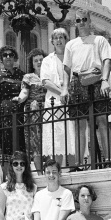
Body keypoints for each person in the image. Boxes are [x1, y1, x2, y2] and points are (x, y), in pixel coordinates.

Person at [60, 9, 111, 166]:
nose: (81, 22)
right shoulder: (71, 44)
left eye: (84, 19)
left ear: (90, 22)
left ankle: (108, 159)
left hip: (96, 79)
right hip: (77, 82)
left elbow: (107, 61)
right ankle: (79, 162)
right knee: (79, 124)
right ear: (75, 23)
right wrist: (64, 88)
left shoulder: (100, 40)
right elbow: (67, 69)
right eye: (78, 20)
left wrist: (105, 80)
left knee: (102, 120)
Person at [41, 27, 75, 166]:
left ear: (66, 40)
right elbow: (45, 81)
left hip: (71, 99)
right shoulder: (47, 60)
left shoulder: (72, 57)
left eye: (61, 37)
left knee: (72, 134)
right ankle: (57, 167)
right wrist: (62, 92)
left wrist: (68, 91)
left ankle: (75, 166)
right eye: (56, 38)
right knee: (57, 136)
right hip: (54, 101)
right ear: (52, 42)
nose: (59, 40)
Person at [0, 46, 25, 158]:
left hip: (19, 112)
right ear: (1, 59)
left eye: (11, 55)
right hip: (3, 112)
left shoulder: (22, 74)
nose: (8, 57)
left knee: (19, 139)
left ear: (14, 58)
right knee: (5, 139)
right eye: (5, 55)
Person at [17, 48, 47, 174]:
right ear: (32, 63)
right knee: (36, 142)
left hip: (48, 109)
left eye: (41, 60)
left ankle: (50, 169)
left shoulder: (50, 75)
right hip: (34, 111)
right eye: (36, 61)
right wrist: (18, 99)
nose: (39, 62)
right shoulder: (28, 77)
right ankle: (40, 172)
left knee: (49, 140)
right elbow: (24, 92)